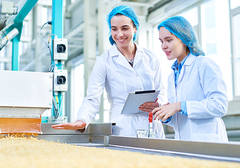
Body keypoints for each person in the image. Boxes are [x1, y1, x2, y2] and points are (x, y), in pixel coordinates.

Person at [51, 5, 166, 138]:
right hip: (124, 130)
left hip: (152, 126)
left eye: (125, 28)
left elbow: (161, 90)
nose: (119, 34)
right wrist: (81, 120)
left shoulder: (151, 57)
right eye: (114, 29)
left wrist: (159, 104)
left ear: (135, 28)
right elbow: (92, 98)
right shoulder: (104, 61)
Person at [141, 16, 228, 142]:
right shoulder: (172, 76)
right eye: (161, 41)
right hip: (183, 143)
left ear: (184, 38)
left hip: (209, 142)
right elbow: (181, 121)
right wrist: (165, 113)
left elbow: (219, 105)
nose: (163, 46)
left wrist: (179, 106)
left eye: (168, 40)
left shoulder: (204, 64)